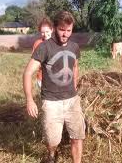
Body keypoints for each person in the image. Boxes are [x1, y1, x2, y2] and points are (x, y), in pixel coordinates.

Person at [23, 11, 85, 163]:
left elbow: (75, 66)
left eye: (69, 30)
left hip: (72, 100)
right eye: (62, 30)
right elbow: (27, 73)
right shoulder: (44, 47)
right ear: (55, 27)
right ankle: (52, 154)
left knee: (77, 137)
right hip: (51, 102)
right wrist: (30, 100)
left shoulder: (74, 47)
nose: (65, 34)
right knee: (52, 141)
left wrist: (74, 84)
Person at [32, 18, 53, 88]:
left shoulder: (56, 42)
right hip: (42, 78)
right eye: (42, 32)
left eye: (47, 31)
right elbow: (34, 61)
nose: (45, 34)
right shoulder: (37, 43)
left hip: (56, 78)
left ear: (52, 30)